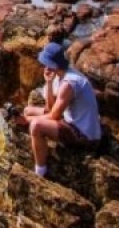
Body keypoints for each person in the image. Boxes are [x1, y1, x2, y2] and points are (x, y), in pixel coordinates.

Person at [22, 42, 102, 177]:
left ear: (53, 64)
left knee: (36, 126)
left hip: (83, 134)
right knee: (27, 110)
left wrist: (27, 121)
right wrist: (48, 82)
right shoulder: (60, 74)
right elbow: (49, 108)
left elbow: (54, 116)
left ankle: (40, 172)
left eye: (46, 62)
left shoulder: (69, 84)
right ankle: (36, 143)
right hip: (69, 120)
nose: (44, 66)